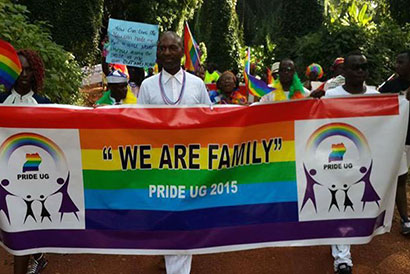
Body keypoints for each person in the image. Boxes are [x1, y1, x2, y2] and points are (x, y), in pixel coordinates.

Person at [137, 31, 211, 274]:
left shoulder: (197, 85)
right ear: (156, 52)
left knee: (182, 219)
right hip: (158, 166)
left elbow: (210, 124)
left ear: (182, 52)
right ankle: (170, 257)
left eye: (173, 48)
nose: (167, 53)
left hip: (190, 165)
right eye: (162, 48)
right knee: (166, 217)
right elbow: (138, 125)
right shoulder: (147, 86)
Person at [324, 51, 378, 274]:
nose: (360, 72)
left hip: (367, 159)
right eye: (355, 68)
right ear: (343, 71)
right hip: (337, 159)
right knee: (340, 203)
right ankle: (342, 259)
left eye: (364, 67)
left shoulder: (376, 96)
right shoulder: (330, 96)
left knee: (359, 203)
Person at [0, 49, 51, 274]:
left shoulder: (44, 104)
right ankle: (39, 255)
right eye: (20, 69)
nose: (24, 75)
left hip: (32, 176)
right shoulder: (1, 102)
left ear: (35, 74)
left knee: (23, 229)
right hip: (3, 175)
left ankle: (30, 258)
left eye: (29, 70)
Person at [379, 50, 410, 235]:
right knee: (401, 178)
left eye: (401, 62)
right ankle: (405, 220)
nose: (396, 66)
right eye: (396, 62)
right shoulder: (391, 86)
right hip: (399, 139)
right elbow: (375, 103)